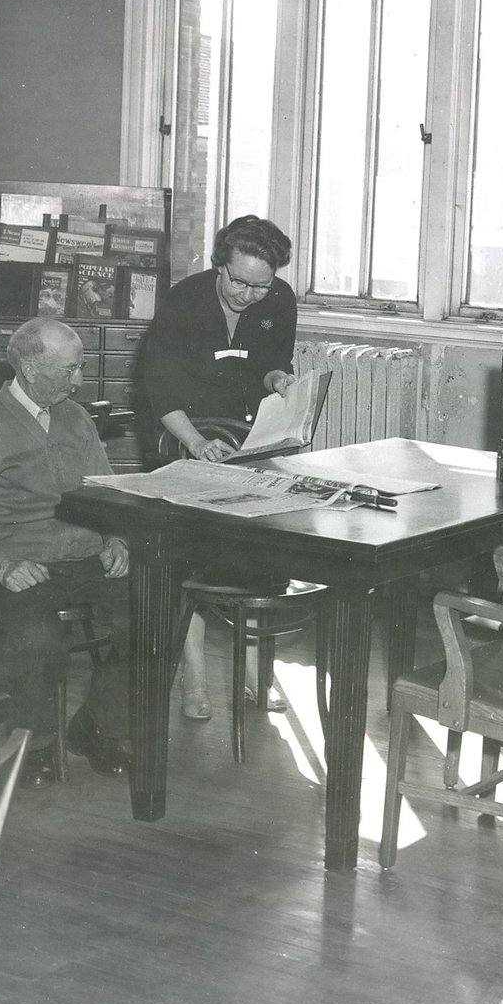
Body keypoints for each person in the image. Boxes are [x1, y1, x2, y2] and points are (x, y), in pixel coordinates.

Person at [0, 318, 133, 789]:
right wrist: (0, 566)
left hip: (86, 557)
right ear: (31, 368)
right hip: (20, 566)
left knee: (158, 614)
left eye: (80, 368)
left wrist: (116, 538)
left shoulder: (75, 417)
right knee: (39, 638)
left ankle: (98, 726)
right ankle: (33, 744)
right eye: (70, 370)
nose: (79, 380)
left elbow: (109, 492)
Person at [143, 214, 298, 720]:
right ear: (219, 265)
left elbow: (273, 360)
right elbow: (160, 387)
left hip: (248, 440)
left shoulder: (278, 299)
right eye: (239, 281)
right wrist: (195, 442)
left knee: (260, 555)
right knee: (189, 562)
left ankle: (256, 672)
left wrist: (278, 382)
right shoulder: (183, 301)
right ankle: (194, 680)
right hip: (182, 434)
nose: (249, 294)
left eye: (262, 285)